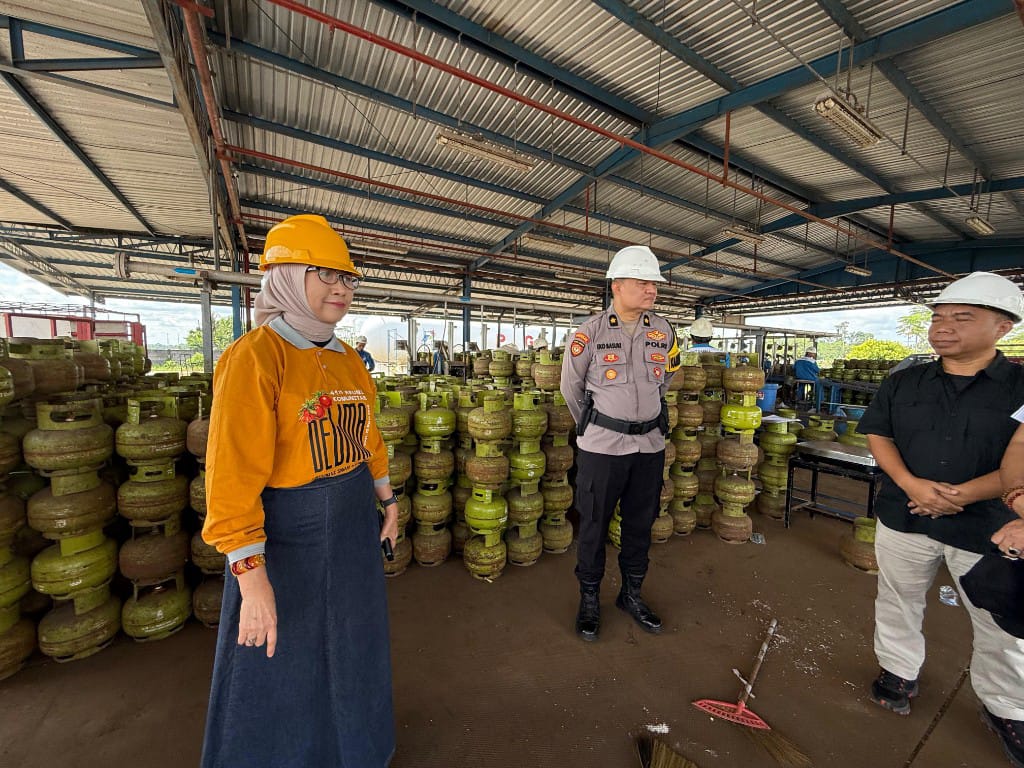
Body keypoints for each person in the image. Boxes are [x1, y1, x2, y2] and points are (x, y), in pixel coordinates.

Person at [201, 214, 398, 768]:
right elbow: (231, 474)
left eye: (349, 278)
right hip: (286, 537)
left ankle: (357, 752)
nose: (341, 288)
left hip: (352, 524)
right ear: (286, 276)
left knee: (352, 645)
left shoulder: (347, 360)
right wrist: (251, 577)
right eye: (325, 274)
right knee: (281, 657)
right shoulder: (255, 358)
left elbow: (368, 437)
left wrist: (387, 500)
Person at [857, 271, 1024, 766]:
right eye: (939, 317)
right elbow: (879, 436)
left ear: (1002, 327)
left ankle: (1006, 706)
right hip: (905, 514)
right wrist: (911, 485)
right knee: (898, 598)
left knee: (1000, 619)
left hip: (988, 526)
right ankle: (898, 671)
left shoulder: (1020, 388)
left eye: (962, 317)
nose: (943, 327)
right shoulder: (905, 380)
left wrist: (962, 495)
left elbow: (1021, 454)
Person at [561, 245, 681, 642]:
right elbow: (571, 387)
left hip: (648, 446)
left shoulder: (663, 331)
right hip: (602, 448)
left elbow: (666, 382)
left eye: (655, 284)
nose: (652, 290)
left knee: (639, 525)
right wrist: (598, 425)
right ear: (618, 286)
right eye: (644, 282)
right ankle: (589, 598)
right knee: (593, 523)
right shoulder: (589, 332)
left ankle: (631, 594)